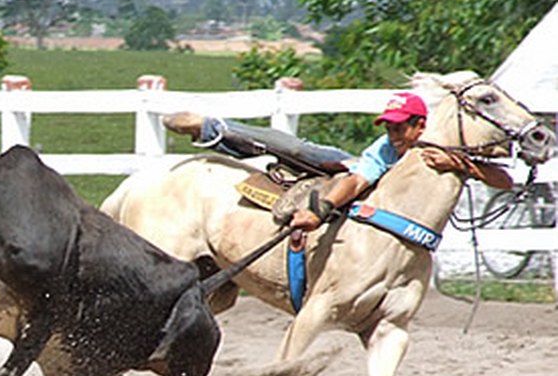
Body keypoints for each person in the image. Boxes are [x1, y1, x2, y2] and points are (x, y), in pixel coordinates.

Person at [163, 91, 513, 232]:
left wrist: (459, 165)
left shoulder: (443, 148)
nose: (392, 134)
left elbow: (505, 181)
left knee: (297, 150)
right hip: (351, 167)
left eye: (399, 127)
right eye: (389, 127)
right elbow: (358, 179)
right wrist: (321, 209)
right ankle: (213, 129)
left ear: (420, 125)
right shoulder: (384, 149)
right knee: (296, 150)